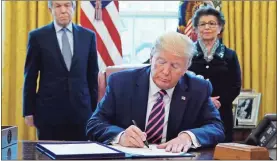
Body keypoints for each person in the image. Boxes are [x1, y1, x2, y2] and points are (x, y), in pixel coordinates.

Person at [86, 32, 225, 153]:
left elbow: (216, 128)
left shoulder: (198, 88)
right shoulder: (121, 83)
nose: (165, 71)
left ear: (186, 67)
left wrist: (188, 137)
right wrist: (120, 136)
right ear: (151, 57)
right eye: (161, 62)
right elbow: (94, 124)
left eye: (175, 66)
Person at [23, 1, 99, 141]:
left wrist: (95, 111)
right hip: (48, 114)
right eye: (58, 6)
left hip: (81, 113)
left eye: (67, 5)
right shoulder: (37, 37)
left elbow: (92, 77)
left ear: (74, 8)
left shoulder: (88, 36)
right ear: (50, 9)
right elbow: (30, 77)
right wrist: (28, 111)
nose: (63, 10)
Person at [188, 6, 242, 142]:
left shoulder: (230, 55)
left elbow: (235, 85)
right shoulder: (187, 54)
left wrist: (218, 102)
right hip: (193, 110)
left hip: (222, 112)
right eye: (202, 24)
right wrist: (205, 100)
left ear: (220, 28)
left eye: (212, 23)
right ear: (195, 28)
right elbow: (182, 81)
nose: (207, 27)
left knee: (223, 150)